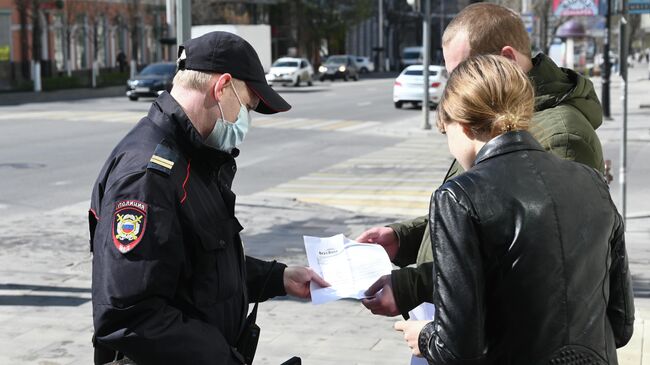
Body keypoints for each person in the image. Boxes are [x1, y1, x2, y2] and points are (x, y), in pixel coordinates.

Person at [89, 31, 328, 364]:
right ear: (222, 87)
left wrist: (278, 278)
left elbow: (199, 267)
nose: (247, 119)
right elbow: (129, 317)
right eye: (247, 106)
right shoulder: (148, 177)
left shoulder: (193, 159)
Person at [359, 2, 606, 319]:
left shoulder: (561, 136)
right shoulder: (491, 114)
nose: (455, 86)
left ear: (505, 58)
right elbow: (482, 218)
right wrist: (403, 238)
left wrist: (414, 287)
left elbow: (536, 260)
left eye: (462, 71)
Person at [393, 54, 634, 364]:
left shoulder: (458, 196)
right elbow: (621, 324)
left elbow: (457, 347)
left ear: (463, 125)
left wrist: (425, 335)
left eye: (445, 130)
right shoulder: (591, 181)